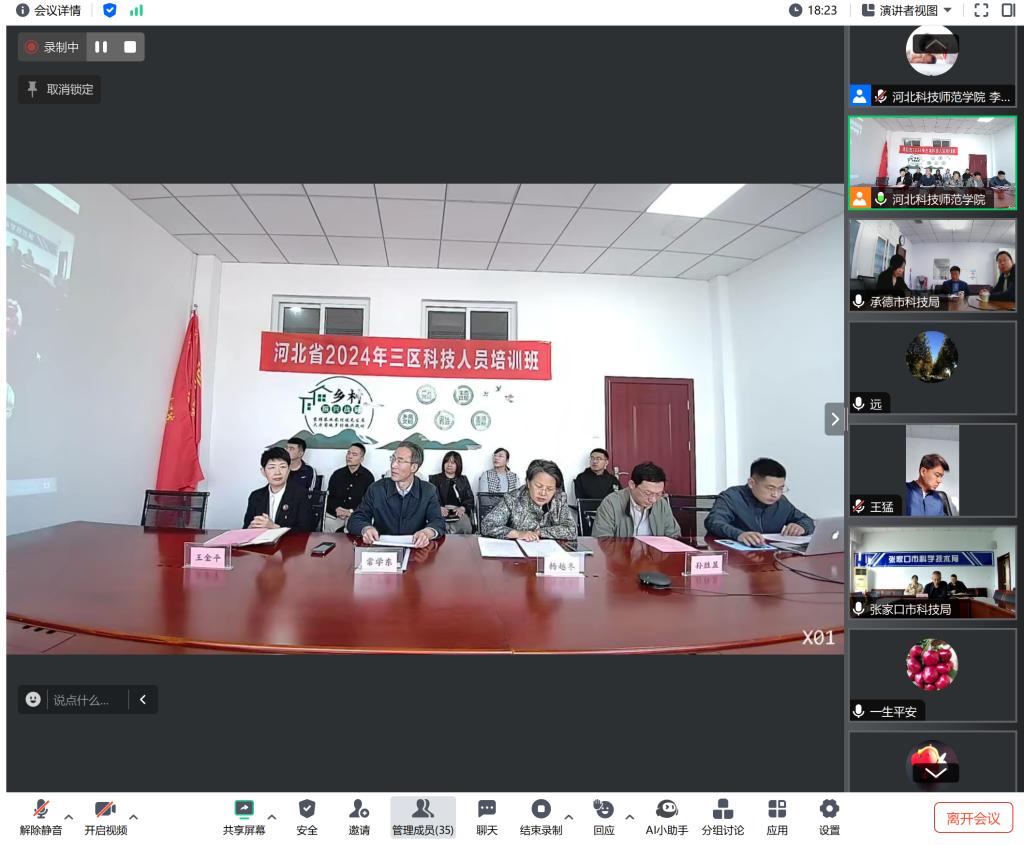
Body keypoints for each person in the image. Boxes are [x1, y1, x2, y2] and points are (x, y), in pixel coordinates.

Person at [347, 441, 445, 548]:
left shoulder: (428, 491)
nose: (393, 465)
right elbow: (356, 519)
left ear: (414, 467)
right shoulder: (376, 488)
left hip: (416, 549)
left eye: (400, 461)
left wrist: (427, 533)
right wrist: (366, 529)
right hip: (382, 549)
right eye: (393, 459)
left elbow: (438, 522)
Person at [705, 458, 814, 546]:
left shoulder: (781, 502)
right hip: (735, 558)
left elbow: (806, 520)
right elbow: (713, 522)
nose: (775, 494)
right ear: (751, 483)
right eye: (770, 488)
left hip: (770, 557)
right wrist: (739, 535)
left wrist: (802, 527)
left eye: (780, 488)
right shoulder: (732, 496)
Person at [480, 458, 576, 540]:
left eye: (550, 489)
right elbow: (487, 525)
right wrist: (518, 534)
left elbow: (571, 530)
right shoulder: (512, 499)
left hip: (550, 553)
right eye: (538, 486)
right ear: (528, 483)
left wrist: (540, 532)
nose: (543, 493)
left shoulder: (560, 499)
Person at [591, 462, 682, 539]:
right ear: (632, 485)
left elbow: (674, 536)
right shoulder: (611, 504)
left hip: (654, 554)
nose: (653, 500)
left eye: (658, 494)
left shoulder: (661, 504)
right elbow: (602, 540)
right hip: (621, 554)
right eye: (647, 493)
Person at [243, 446, 315, 531]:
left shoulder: (300, 495)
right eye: (272, 467)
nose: (277, 472)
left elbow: (306, 530)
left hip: (289, 540)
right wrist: (250, 528)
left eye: (282, 467)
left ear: (289, 470)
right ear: (263, 471)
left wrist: (274, 527)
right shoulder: (255, 496)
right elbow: (246, 527)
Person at [325, 442, 375, 532]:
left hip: (355, 515)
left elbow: (368, 503)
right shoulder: (337, 474)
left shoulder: (368, 477)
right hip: (335, 514)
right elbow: (328, 497)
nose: (349, 456)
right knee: (326, 524)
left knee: (354, 527)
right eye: (348, 453)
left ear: (361, 459)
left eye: (354, 454)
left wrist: (351, 512)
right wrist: (336, 508)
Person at [429, 450, 475, 535]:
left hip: (458, 511)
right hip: (441, 511)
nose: (449, 465)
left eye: (452, 463)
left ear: (458, 464)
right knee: (438, 527)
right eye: (446, 462)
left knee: (466, 527)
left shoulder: (463, 480)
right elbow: (430, 498)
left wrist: (463, 508)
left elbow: (470, 499)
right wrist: (438, 508)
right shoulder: (435, 479)